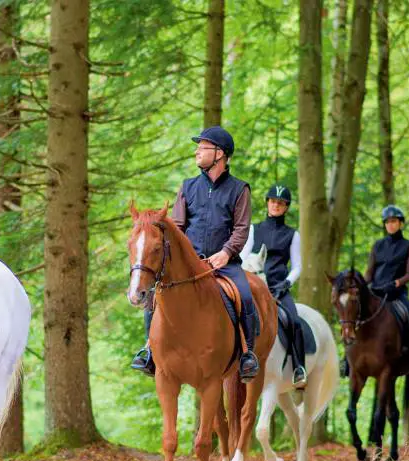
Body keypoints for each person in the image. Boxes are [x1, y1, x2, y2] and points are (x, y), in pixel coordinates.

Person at [131, 126, 259, 382]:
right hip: (190, 264)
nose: (196, 152)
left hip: (224, 263)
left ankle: (247, 354)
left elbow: (242, 228)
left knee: (245, 296)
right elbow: (177, 228)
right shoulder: (188, 187)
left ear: (219, 153)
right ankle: (149, 350)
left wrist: (226, 253)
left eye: (202, 148)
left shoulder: (239, 189)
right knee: (155, 297)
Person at [240, 184, 307, 388]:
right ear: (267, 203)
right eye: (273, 201)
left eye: (280, 203)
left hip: (278, 288)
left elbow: (297, 266)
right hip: (252, 284)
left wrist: (286, 283)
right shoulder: (254, 229)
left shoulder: (292, 234)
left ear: (286, 207)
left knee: (294, 321)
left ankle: (298, 367)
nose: (276, 205)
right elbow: (243, 256)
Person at [364, 205, 409, 378]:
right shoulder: (377, 246)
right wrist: (362, 286)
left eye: (394, 221)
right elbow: (369, 273)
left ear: (400, 223)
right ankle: (347, 360)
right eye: (387, 222)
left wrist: (396, 283)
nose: (390, 225)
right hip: (376, 292)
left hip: (397, 293)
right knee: (355, 315)